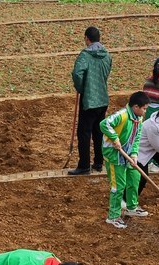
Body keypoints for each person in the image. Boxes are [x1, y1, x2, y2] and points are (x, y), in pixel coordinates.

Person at [100, 91, 148, 228]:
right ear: (136, 107)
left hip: (127, 152)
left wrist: (134, 154)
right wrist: (114, 138)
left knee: (135, 177)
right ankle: (113, 216)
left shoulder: (138, 118)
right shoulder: (122, 115)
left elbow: (137, 136)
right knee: (118, 186)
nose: (145, 111)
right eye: (144, 108)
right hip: (114, 155)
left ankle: (131, 207)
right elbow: (104, 124)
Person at [68, 26, 112, 176]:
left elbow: (77, 74)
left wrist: (81, 88)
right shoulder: (107, 55)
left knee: (84, 132)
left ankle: (84, 165)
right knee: (98, 132)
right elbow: (106, 72)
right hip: (103, 99)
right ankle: (99, 163)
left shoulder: (85, 55)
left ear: (87, 38)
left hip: (89, 100)